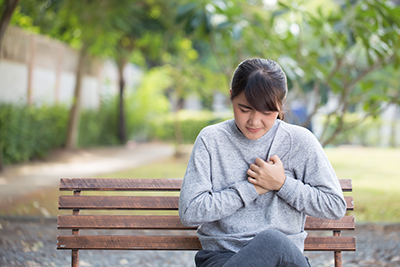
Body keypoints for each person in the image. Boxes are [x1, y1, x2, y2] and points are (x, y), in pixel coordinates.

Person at [179, 58, 347, 267]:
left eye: (267, 112)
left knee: (273, 241)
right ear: (231, 97)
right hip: (223, 258)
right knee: (270, 240)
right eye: (245, 109)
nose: (254, 122)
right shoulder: (211, 139)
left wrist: (282, 184)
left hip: (284, 261)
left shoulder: (300, 141)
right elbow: (190, 212)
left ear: (280, 105)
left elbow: (335, 206)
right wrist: (251, 188)